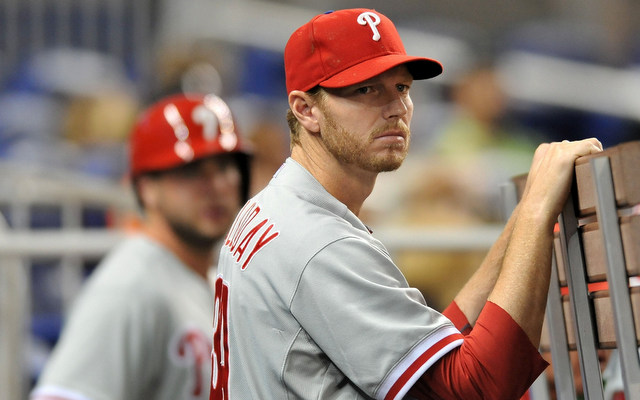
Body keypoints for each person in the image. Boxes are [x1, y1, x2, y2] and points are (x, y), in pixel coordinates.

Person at [210, 8, 603, 400]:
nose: (396, 107)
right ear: (305, 109)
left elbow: (423, 357)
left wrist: (520, 219)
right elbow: (477, 390)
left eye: (401, 87)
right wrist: (536, 211)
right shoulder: (319, 242)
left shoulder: (278, 207)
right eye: (365, 90)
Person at [30, 93, 251, 400]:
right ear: (147, 189)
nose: (216, 185)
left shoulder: (211, 278)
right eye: (192, 170)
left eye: (226, 166)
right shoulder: (130, 287)